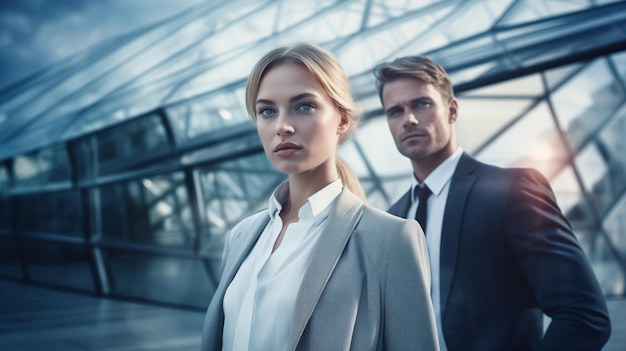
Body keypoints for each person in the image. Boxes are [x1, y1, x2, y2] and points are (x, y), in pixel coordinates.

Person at [201, 44, 439, 351]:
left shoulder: (390, 240)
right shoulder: (241, 236)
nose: (282, 127)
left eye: (303, 106)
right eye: (267, 111)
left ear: (341, 119)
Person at [373, 55, 611, 351]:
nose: (408, 119)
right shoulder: (391, 220)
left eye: (421, 104)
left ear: (451, 110)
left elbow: (584, 315)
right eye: (395, 111)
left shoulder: (511, 191)